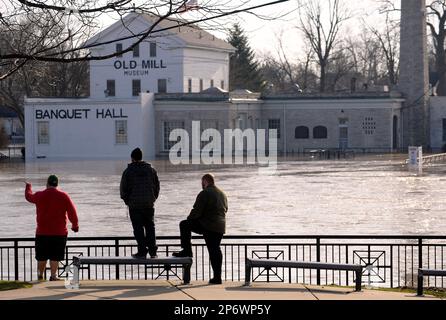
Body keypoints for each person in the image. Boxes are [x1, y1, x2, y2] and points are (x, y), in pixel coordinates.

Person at [173, 173, 228, 284]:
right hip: (220, 227)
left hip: (208, 226)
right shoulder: (222, 194)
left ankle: (187, 250)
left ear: (205, 181)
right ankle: (217, 277)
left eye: (202, 182)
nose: (201, 185)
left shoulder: (205, 193)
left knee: (184, 224)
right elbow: (225, 209)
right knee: (215, 250)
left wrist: (189, 220)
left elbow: (196, 210)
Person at [25, 175, 79, 281]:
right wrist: (75, 225)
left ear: (47, 183)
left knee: (42, 256)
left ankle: (40, 275)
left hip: (42, 232)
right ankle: (53, 276)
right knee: (55, 256)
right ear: (57, 184)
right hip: (59, 233)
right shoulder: (64, 196)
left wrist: (28, 187)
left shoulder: (40, 195)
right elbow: (72, 212)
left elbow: (29, 197)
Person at [120, 147, 160, 259]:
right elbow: (157, 186)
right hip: (148, 204)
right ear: (142, 158)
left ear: (132, 158)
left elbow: (123, 190)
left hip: (134, 205)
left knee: (138, 229)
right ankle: (153, 251)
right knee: (150, 227)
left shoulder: (128, 172)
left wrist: (128, 201)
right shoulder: (151, 170)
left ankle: (142, 251)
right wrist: (153, 198)